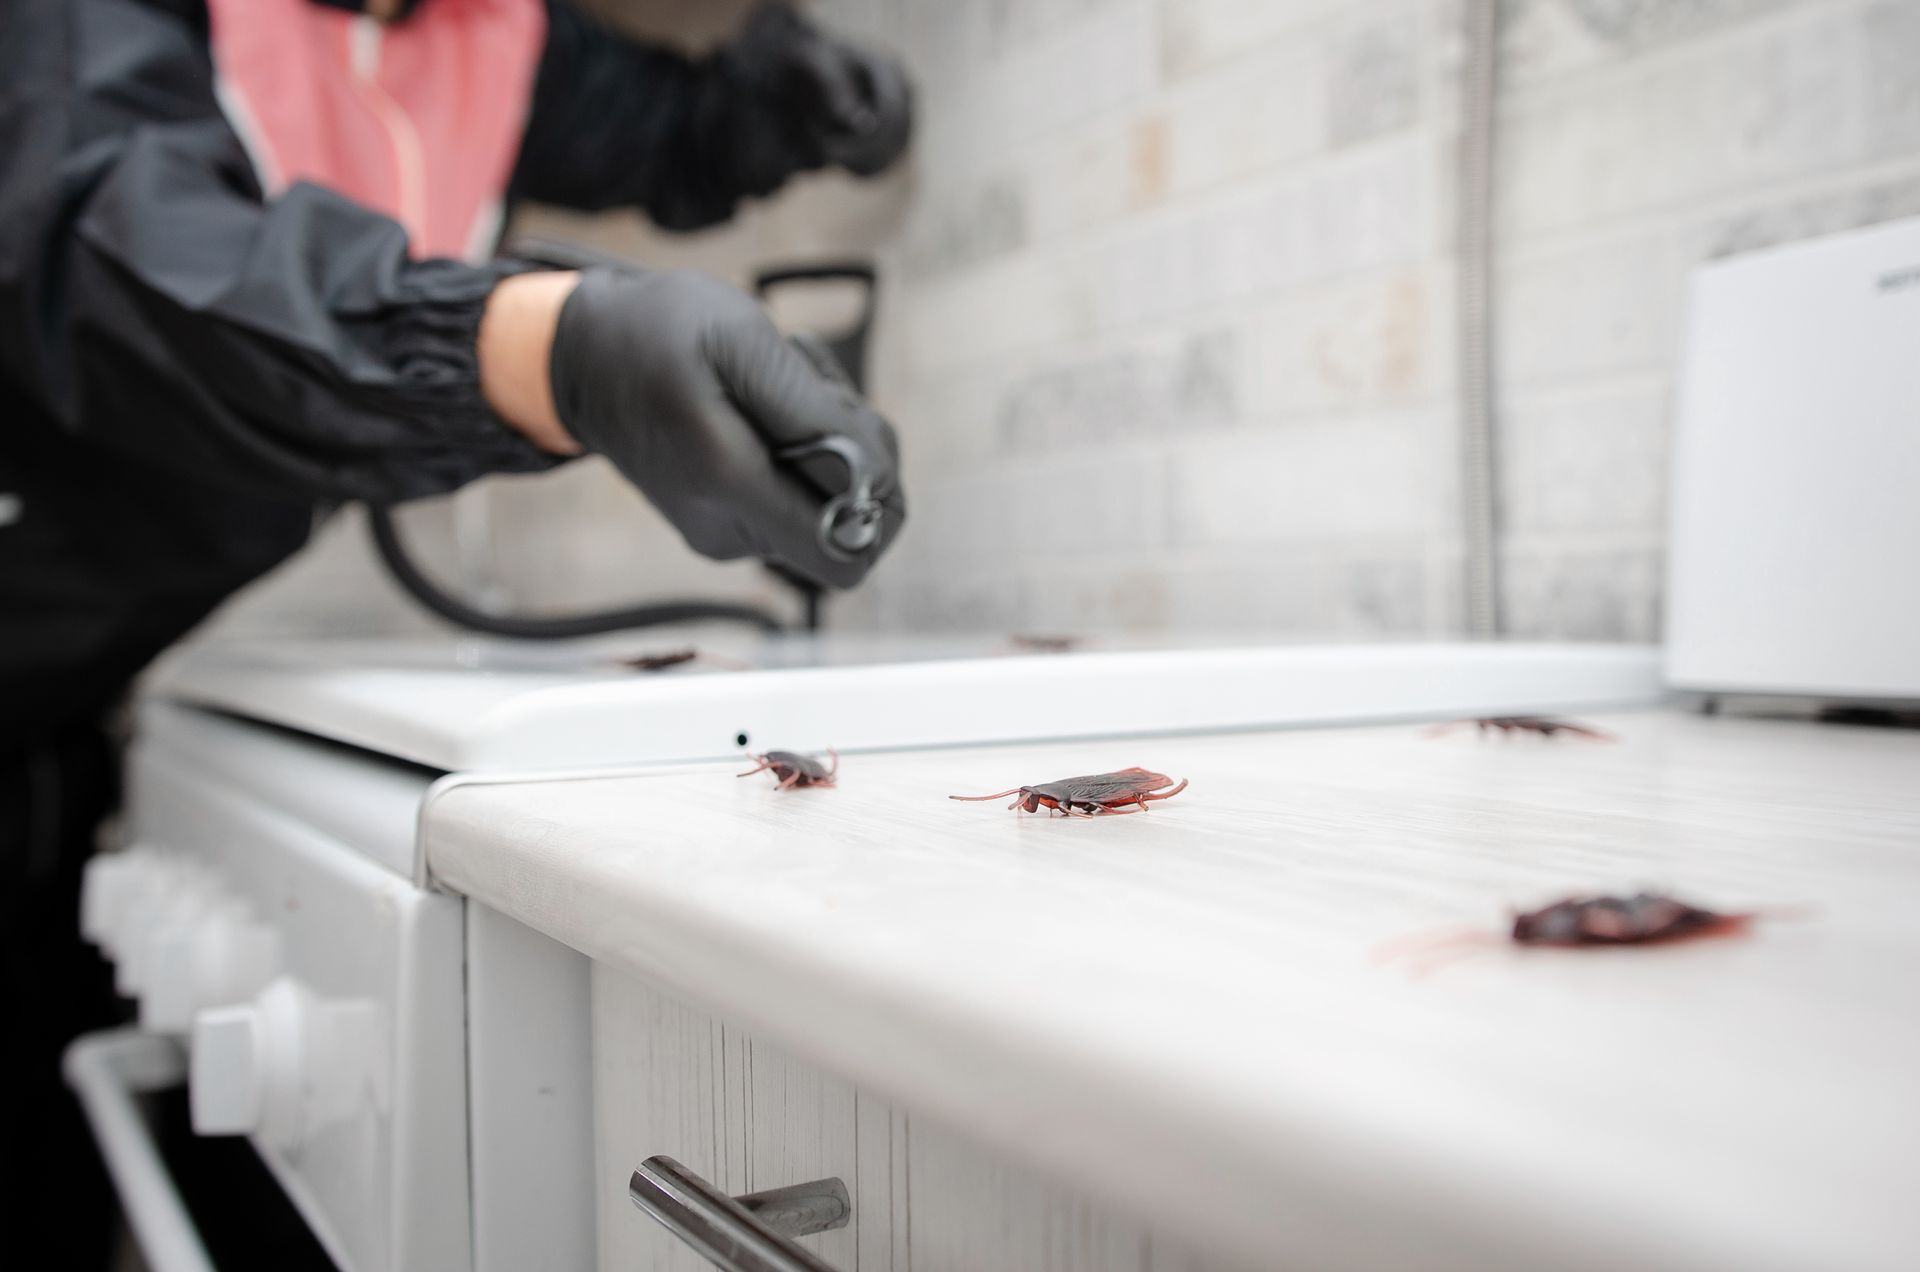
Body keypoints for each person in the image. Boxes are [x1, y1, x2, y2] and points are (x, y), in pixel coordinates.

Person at [0, 0, 911, 1263]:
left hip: (76, 695)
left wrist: (788, 104)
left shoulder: (492, 33)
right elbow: (113, 258)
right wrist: (551, 352)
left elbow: (655, 132)